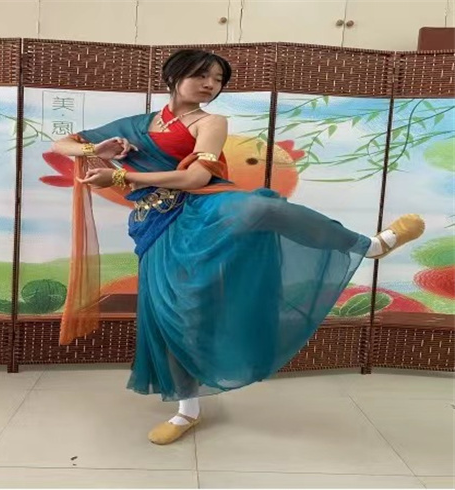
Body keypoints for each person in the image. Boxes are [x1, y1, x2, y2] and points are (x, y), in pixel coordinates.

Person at [51, 49, 425, 445]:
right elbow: (62, 144)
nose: (210, 84)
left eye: (218, 79)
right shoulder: (135, 125)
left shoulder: (211, 122)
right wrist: (95, 151)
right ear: (173, 76)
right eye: (202, 75)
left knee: (260, 208)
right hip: (156, 223)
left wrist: (122, 176)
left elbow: (196, 179)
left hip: (203, 208)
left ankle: (368, 246)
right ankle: (187, 410)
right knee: (172, 314)